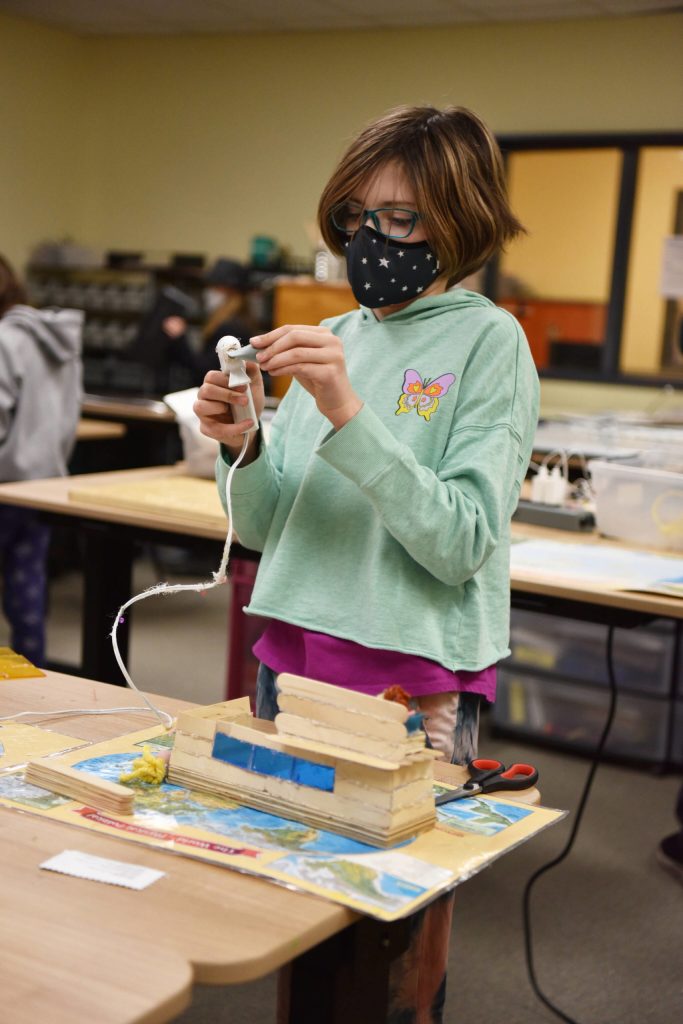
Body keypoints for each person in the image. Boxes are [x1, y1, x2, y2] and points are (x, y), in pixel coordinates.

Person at [194, 105, 539, 1022]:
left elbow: (463, 538)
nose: (371, 239)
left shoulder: (486, 342)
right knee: (286, 890)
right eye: (356, 216)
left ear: (460, 220)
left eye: (401, 218)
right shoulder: (335, 333)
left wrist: (349, 410)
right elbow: (269, 530)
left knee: (391, 928)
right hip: (296, 651)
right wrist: (245, 448)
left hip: (410, 672)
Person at [0, 254, 83, 665]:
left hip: (6, 482)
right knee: (27, 591)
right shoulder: (59, 338)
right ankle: (30, 685)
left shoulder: (3, 339)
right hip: (46, 480)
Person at [163, 257, 254, 385]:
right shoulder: (235, 322)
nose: (209, 292)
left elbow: (205, 370)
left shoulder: (230, 328)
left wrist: (180, 338)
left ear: (231, 292)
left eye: (216, 287)